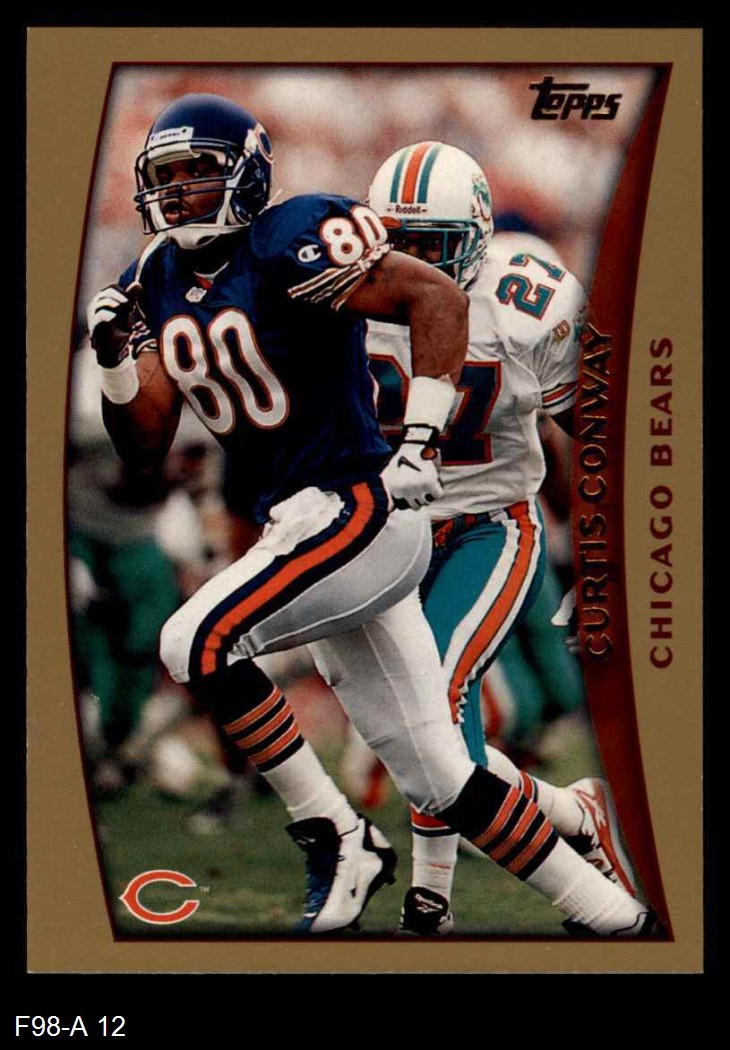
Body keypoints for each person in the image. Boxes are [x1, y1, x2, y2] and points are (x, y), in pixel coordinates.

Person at [85, 94, 656, 937]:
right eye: (166, 177)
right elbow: (144, 444)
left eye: (199, 173)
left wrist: (422, 441)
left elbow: (448, 307)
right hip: (318, 518)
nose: (178, 193)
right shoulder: (159, 275)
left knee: (191, 641)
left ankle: (345, 843)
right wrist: (113, 363)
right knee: (440, 772)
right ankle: (614, 915)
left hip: (387, 509)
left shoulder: (299, 240)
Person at [359, 141, 640, 933]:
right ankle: (576, 814)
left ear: (477, 236)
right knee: (424, 737)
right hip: (386, 536)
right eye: (400, 242)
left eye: (435, 243)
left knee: (435, 702)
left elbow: (592, 431)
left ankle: (431, 900)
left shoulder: (527, 301)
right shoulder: (341, 292)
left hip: (488, 527)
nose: (417, 262)